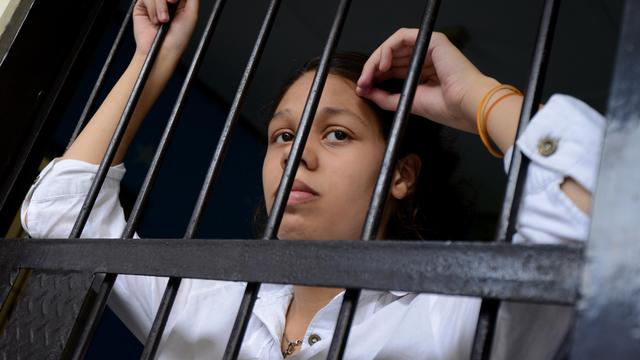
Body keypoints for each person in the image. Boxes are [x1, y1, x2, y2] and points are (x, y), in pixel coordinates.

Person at [20, 0, 605, 358]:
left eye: (337, 134)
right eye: (281, 135)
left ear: (401, 176)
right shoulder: (200, 304)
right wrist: (152, 61)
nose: (296, 154)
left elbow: (600, 225)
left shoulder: (448, 322)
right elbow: (58, 216)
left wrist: (479, 99)